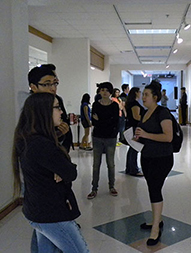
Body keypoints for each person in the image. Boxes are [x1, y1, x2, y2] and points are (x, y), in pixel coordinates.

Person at [12, 93, 89, 252]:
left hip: (37, 210)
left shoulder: (28, 139)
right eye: (57, 107)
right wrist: (63, 168)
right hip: (51, 214)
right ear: (43, 112)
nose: (61, 112)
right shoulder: (42, 146)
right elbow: (70, 173)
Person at [135, 80, 174, 246]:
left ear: (155, 97)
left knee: (155, 189)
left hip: (161, 158)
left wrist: (146, 134)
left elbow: (168, 137)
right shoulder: (145, 112)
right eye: (143, 94)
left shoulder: (163, 113)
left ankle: (155, 229)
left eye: (146, 95)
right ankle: (155, 220)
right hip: (147, 157)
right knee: (152, 188)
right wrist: (137, 136)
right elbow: (145, 133)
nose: (143, 97)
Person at [87, 82, 119, 199]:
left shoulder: (115, 105)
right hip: (97, 137)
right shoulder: (95, 104)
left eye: (107, 90)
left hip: (110, 137)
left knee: (110, 163)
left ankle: (112, 186)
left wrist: (101, 121)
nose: (104, 92)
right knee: (96, 164)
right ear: (99, 91)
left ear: (110, 92)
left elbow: (114, 122)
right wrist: (105, 121)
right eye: (102, 90)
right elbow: (94, 122)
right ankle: (94, 188)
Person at [41, 64, 74, 153]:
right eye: (48, 83)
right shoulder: (34, 105)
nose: (53, 87)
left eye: (55, 82)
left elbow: (63, 120)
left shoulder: (57, 98)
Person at [125, 87, 144, 176]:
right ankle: (133, 169)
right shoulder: (134, 104)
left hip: (131, 127)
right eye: (140, 92)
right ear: (136, 93)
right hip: (134, 128)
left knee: (132, 148)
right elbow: (136, 116)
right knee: (134, 148)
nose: (141, 94)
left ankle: (130, 168)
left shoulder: (131, 103)